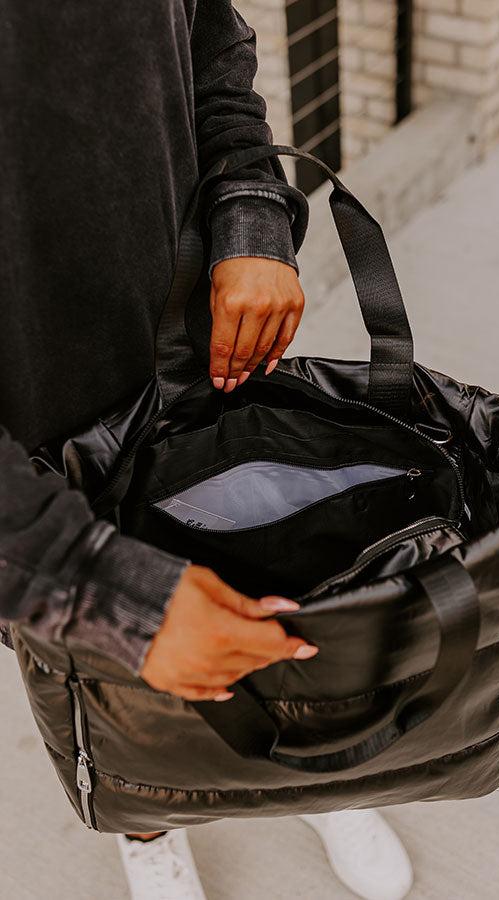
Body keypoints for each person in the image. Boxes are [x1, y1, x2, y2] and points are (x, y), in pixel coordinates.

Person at [1, 3, 413, 899]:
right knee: (115, 683)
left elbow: (213, 52)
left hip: (200, 353)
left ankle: (315, 766)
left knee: (281, 578)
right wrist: (83, 579)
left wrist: (252, 211)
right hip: (33, 442)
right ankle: (146, 821)